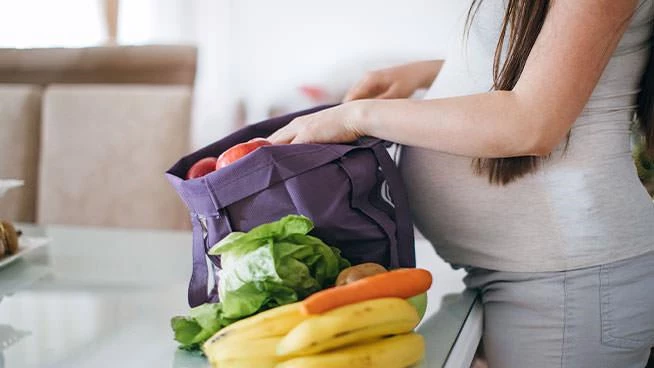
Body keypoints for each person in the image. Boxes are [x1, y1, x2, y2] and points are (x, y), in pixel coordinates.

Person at [269, 0, 654, 367]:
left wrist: (358, 116)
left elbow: (531, 123)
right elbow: (550, 62)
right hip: (531, 272)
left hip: (568, 281)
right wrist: (428, 72)